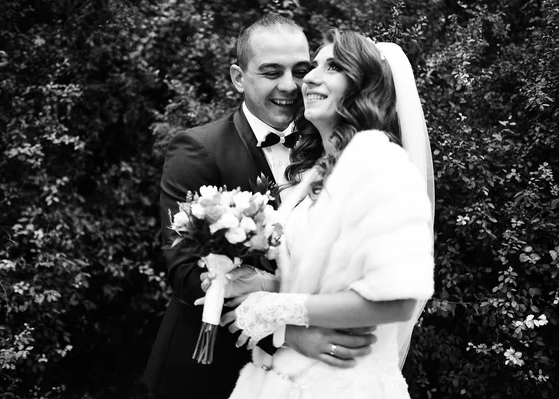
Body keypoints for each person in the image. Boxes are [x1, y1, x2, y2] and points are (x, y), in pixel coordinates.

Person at [141, 17, 377, 399]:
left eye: (300, 71)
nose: (289, 86)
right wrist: (288, 331)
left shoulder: (330, 145)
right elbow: (186, 272)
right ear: (238, 77)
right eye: (271, 72)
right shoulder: (198, 149)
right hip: (210, 373)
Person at [216, 29, 436, 398]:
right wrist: (261, 283)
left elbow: (399, 299)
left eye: (332, 67)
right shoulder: (316, 172)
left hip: (345, 381)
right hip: (283, 378)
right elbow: (324, 282)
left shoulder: (380, 165)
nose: (310, 78)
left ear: (364, 87)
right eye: (313, 66)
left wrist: (275, 308)